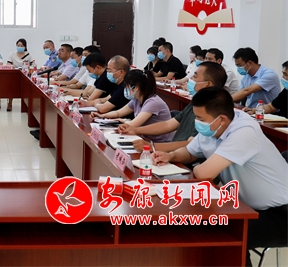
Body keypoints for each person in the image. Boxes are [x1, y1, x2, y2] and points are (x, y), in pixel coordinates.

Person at [152, 87, 288, 266]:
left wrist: (200, 167)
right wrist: (171, 156)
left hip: (280, 213)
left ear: (221, 119)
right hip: (247, 207)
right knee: (209, 225)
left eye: (200, 119)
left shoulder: (244, 131)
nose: (196, 123)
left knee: (227, 232)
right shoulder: (214, 127)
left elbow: (204, 174)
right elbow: (190, 152)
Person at [126, 61, 227, 152]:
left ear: (208, 84)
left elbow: (190, 145)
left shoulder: (213, 112)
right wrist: (135, 130)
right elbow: (168, 125)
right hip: (174, 153)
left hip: (184, 157)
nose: (190, 79)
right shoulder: (196, 102)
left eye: (195, 77)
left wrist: (152, 146)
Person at [96, 70, 173, 142]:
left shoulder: (153, 102)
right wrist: (102, 116)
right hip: (144, 138)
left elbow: (132, 125)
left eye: (127, 86)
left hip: (159, 143)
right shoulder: (136, 99)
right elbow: (118, 113)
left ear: (136, 87)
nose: (125, 89)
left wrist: (124, 121)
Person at [6, 38, 35, 111]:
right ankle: (10, 103)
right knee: (11, 87)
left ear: (25, 47)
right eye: (18, 45)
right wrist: (11, 66)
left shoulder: (28, 55)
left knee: (27, 88)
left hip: (25, 75)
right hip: (14, 74)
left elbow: (33, 64)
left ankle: (27, 105)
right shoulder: (12, 54)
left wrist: (29, 66)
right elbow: (8, 63)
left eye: (22, 46)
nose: (20, 47)